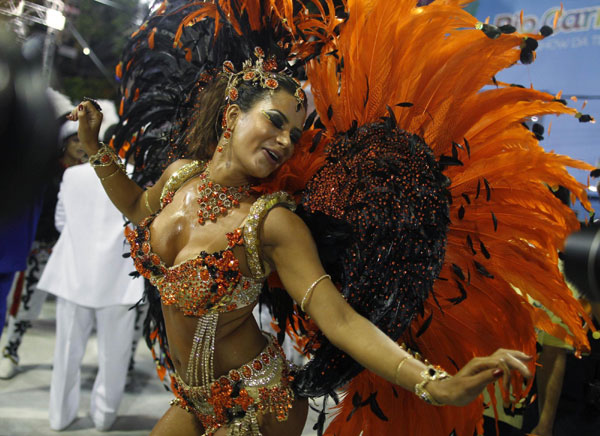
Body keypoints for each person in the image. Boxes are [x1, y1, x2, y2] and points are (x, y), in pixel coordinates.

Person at [66, 1, 595, 435]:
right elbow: (137, 206)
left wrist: (436, 383)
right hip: (192, 397)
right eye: (274, 122)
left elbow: (340, 321)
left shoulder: (270, 224)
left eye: (293, 135)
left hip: (255, 405)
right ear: (231, 115)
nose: (283, 141)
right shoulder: (179, 178)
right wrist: (94, 149)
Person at [35, 153, 144, 431]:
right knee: (114, 355)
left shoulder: (73, 175)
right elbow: (140, 223)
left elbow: (61, 221)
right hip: (119, 276)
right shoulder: (134, 174)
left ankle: (59, 416)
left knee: (66, 351)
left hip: (74, 271)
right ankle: (105, 417)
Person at [0, 120, 86, 379]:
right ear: (64, 144)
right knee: (26, 300)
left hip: (75, 250)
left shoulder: (89, 174)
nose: (81, 146)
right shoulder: (46, 173)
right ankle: (10, 350)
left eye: (83, 140)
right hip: (41, 247)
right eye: (75, 140)